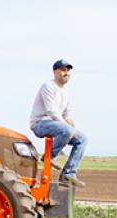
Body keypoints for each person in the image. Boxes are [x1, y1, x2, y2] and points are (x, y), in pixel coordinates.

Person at [30, 59, 88, 187]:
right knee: (66, 130)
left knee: (82, 139)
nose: (66, 73)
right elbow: (51, 111)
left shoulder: (66, 92)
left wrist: (71, 124)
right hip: (41, 123)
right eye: (63, 70)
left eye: (68, 70)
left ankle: (68, 174)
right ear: (55, 72)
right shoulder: (48, 86)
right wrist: (67, 128)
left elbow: (66, 113)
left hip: (56, 125)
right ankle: (48, 157)